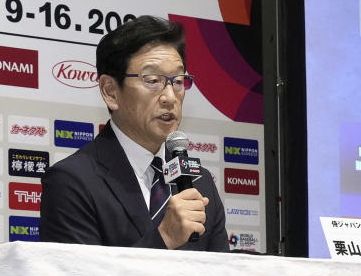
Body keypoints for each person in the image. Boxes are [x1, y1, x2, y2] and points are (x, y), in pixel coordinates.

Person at [40, 15, 229, 252]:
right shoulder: (72, 182)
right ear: (110, 91)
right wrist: (165, 238)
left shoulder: (200, 183)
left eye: (178, 81)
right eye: (153, 80)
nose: (170, 97)